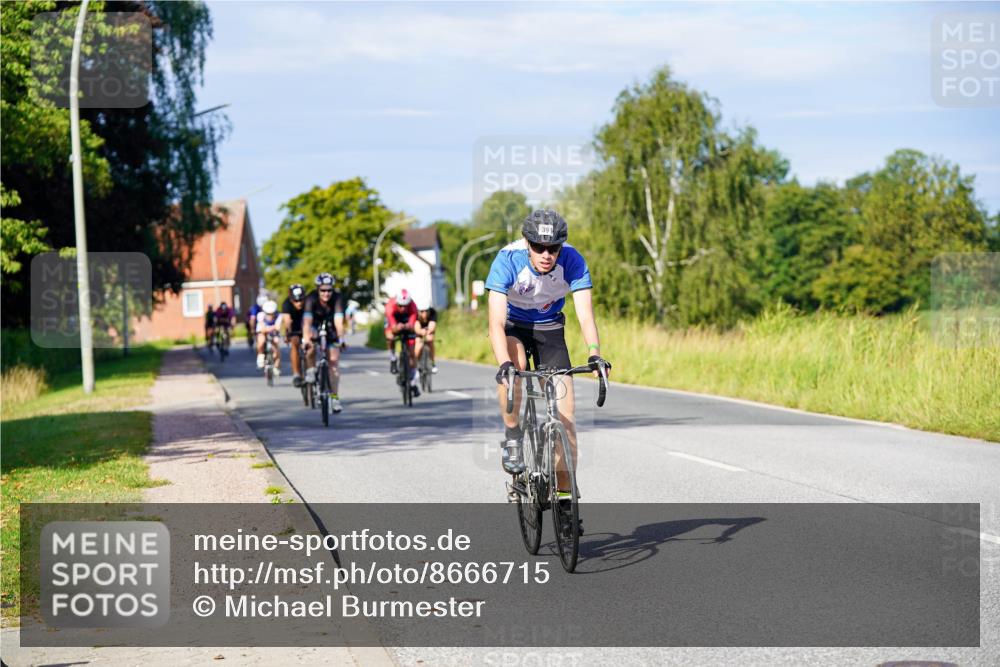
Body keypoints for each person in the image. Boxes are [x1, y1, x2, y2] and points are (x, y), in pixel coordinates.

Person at [485, 209, 611, 500]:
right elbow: (495, 323)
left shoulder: (573, 260)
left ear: (560, 247)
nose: (546, 254)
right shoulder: (507, 260)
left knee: (566, 418)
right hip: (513, 325)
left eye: (553, 248)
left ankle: (565, 499)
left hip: (550, 329)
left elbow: (586, 317)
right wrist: (503, 364)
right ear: (526, 244)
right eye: (539, 247)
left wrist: (594, 354)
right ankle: (513, 434)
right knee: (514, 370)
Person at [302, 273, 346, 412]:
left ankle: (334, 397)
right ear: (317, 289)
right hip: (314, 325)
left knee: (333, 363)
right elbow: (307, 322)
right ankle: (310, 369)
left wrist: (341, 339)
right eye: (323, 290)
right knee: (310, 342)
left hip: (331, 326)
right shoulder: (311, 298)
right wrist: (306, 339)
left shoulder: (338, 298)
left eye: (329, 290)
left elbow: (339, 323)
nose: (326, 293)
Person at [384, 288, 420, 397]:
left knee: (412, 353)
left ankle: (413, 380)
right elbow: (393, 325)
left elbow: (412, 322)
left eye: (405, 306)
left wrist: (409, 327)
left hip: (407, 320)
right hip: (394, 320)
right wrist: (396, 328)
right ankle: (393, 357)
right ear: (397, 303)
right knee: (390, 336)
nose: (403, 308)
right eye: (401, 305)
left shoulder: (412, 306)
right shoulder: (390, 306)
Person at [281, 284, 307, 387]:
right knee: (295, 343)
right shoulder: (286, 304)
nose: (299, 303)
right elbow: (287, 321)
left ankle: (310, 370)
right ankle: (296, 374)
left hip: (306, 324)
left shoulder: (308, 303)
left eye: (301, 300)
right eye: (296, 301)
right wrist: (288, 334)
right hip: (294, 326)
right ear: (291, 299)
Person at [255, 299, 282, 373]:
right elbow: (262, 328)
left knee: (276, 343)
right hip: (262, 332)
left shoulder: (279, 316)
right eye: (268, 314)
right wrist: (272, 328)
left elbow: (278, 327)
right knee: (261, 340)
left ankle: (277, 365)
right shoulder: (260, 315)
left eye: (272, 314)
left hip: (273, 333)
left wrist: (269, 329)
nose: (270, 316)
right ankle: (260, 356)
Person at [414, 302, 438, 375]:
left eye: (426, 311)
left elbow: (432, 326)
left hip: (428, 329)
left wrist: (428, 331)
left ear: (429, 310)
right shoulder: (415, 313)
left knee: (430, 340)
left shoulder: (433, 312)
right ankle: (416, 364)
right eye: (422, 311)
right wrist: (420, 332)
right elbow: (416, 327)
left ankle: (433, 363)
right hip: (419, 329)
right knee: (418, 345)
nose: (424, 313)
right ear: (418, 311)